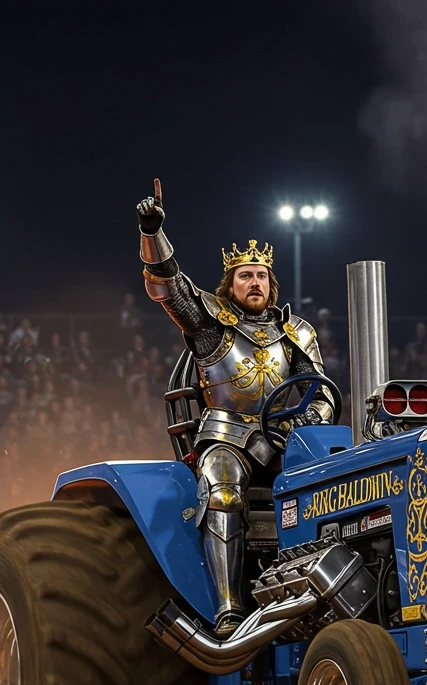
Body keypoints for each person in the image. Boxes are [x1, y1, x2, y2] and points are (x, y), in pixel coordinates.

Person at [137, 179, 333, 636]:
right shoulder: (211, 324)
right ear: (230, 284)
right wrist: (152, 232)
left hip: (288, 438)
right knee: (224, 492)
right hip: (225, 436)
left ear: (272, 283)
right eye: (245, 275)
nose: (255, 282)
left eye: (261, 275)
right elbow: (168, 288)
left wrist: (306, 421)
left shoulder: (296, 334)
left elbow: (322, 393)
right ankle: (228, 609)